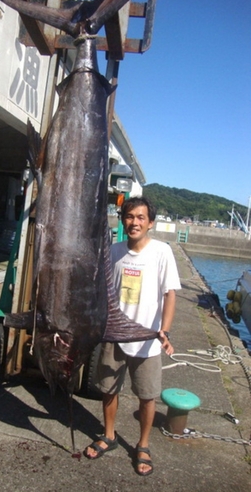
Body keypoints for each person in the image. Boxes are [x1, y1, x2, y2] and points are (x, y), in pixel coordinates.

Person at [84, 196, 181, 476]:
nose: (134, 222)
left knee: (147, 395)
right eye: (129, 216)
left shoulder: (161, 252)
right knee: (108, 388)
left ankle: (143, 444)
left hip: (146, 339)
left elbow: (170, 294)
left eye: (140, 217)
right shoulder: (113, 251)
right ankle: (109, 435)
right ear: (122, 219)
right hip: (114, 334)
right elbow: (100, 291)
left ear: (150, 222)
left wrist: (165, 330)